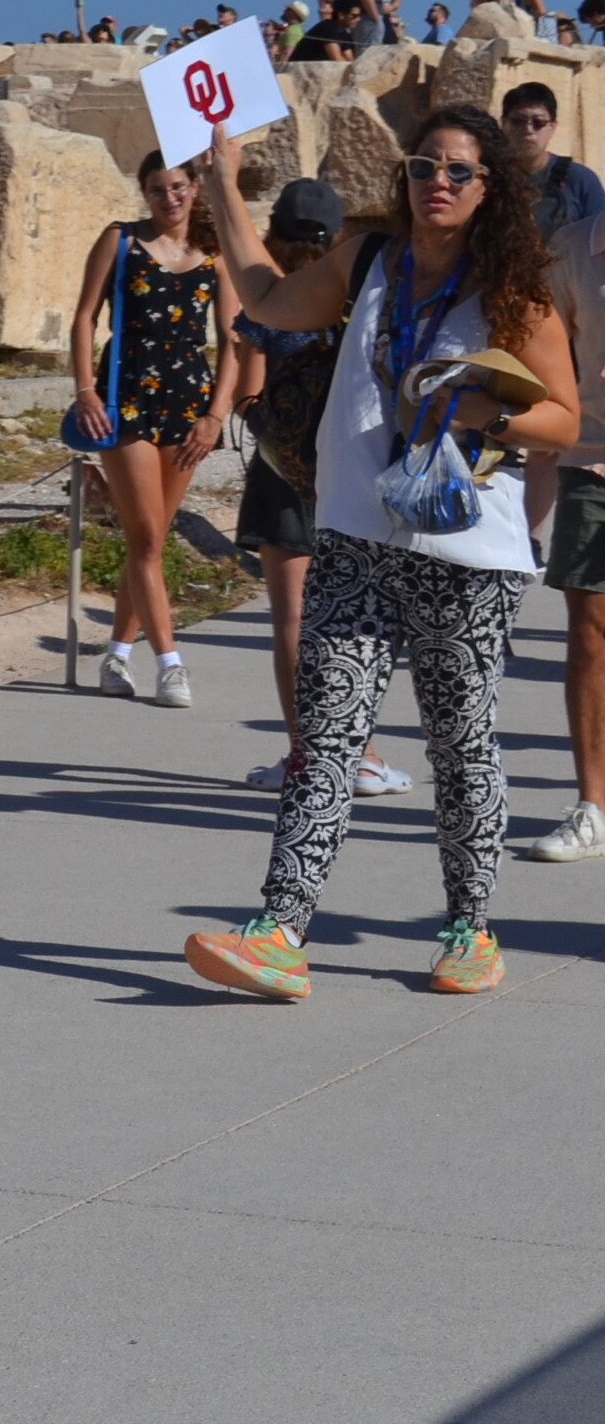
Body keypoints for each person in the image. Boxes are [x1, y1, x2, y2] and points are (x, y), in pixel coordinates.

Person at [186, 109, 581, 999]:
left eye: (459, 171)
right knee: (325, 737)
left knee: (460, 745)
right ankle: (280, 932)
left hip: (468, 552)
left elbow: (562, 417)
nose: (437, 181)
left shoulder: (511, 289)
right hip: (356, 535)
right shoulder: (368, 261)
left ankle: (470, 930)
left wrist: (489, 414)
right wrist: (223, 186)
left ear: (489, 190)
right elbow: (265, 298)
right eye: (423, 166)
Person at [229, 177, 407, 799]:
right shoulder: (350, 296)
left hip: (281, 473)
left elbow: (246, 397)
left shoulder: (273, 304)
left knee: (291, 618)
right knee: (359, 617)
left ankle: (304, 754)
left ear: (273, 229)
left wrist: (282, 431)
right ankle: (365, 754)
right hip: (351, 466)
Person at [70, 151, 240, 706]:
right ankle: (171, 664)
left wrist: (216, 416)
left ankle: (116, 655)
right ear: (144, 193)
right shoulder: (120, 240)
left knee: (154, 539)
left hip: (188, 405)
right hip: (127, 399)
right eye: (158, 189)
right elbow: (84, 317)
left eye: (179, 186)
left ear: (195, 187)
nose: (170, 198)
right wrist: (85, 390)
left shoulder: (214, 254)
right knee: (144, 537)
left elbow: (232, 340)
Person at [525, 193, 605, 863]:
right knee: (589, 631)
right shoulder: (574, 247)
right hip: (594, 459)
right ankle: (593, 806)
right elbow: (541, 356)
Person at [499, 79, 605, 230]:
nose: (528, 130)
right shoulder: (489, 178)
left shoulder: (581, 181)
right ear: (504, 124)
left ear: (552, 127)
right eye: (518, 121)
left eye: (538, 122)